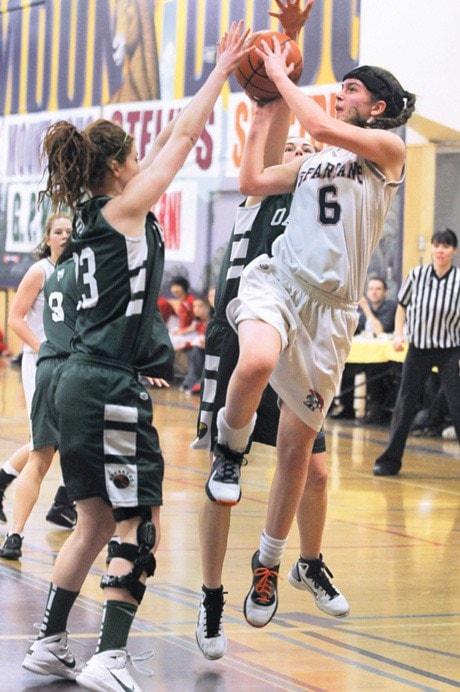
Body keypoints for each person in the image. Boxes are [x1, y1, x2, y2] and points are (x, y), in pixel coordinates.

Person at [21, 22, 249, 690]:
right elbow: (182, 136)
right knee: (138, 521)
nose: (145, 160)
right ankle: (111, 654)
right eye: (135, 155)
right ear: (120, 167)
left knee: (91, 520)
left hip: (69, 381)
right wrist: (222, 69)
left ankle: (51, 643)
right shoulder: (123, 211)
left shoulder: (82, 225)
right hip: (105, 384)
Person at [205, 39, 416, 630]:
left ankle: (273, 563)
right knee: (254, 365)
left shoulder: (387, 151)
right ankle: (229, 450)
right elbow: (251, 176)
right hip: (282, 281)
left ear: (376, 107)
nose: (338, 94)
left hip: (332, 312)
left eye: (351, 88)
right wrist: (265, 107)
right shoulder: (314, 160)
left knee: (300, 452)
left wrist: (277, 75)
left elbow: (320, 123)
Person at [194, 1, 349, 660]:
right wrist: (291, 39)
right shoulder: (264, 181)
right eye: (289, 136)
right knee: (223, 485)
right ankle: (209, 599)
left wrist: (293, 46)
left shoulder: (320, 182)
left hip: (302, 328)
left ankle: (298, 561)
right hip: (246, 327)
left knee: (314, 471)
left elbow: (316, 129)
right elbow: (278, 105)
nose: (300, 142)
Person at [0, 243, 77, 560]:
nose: (63, 235)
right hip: (48, 359)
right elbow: (16, 318)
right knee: (43, 445)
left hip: (55, 363)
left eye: (67, 231)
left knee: (45, 446)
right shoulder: (45, 271)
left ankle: (57, 501)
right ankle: (63, 501)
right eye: (57, 230)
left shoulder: (64, 274)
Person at [373, 228, 460, 476]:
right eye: (437, 245)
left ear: (454, 251)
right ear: (431, 248)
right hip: (418, 349)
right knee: (405, 403)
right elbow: (402, 306)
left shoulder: (458, 280)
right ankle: (389, 461)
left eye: (446, 246)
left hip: (449, 349)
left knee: (457, 404)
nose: (440, 250)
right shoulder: (418, 275)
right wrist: (399, 334)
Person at [330, 276, 397, 422]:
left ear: (385, 292)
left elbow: (380, 330)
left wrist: (366, 309)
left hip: (384, 356)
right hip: (364, 352)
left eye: (378, 289)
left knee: (374, 368)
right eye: (371, 289)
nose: (374, 292)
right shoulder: (359, 310)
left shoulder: (390, 307)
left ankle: (376, 410)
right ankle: (347, 408)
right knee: (347, 366)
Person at [181, 295, 212, 394]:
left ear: (208, 307)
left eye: (200, 306)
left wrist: (186, 344)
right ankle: (191, 381)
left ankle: (196, 382)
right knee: (192, 349)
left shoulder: (212, 322)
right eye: (194, 306)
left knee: (195, 349)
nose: (197, 309)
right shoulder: (199, 322)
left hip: (210, 351)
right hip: (202, 349)